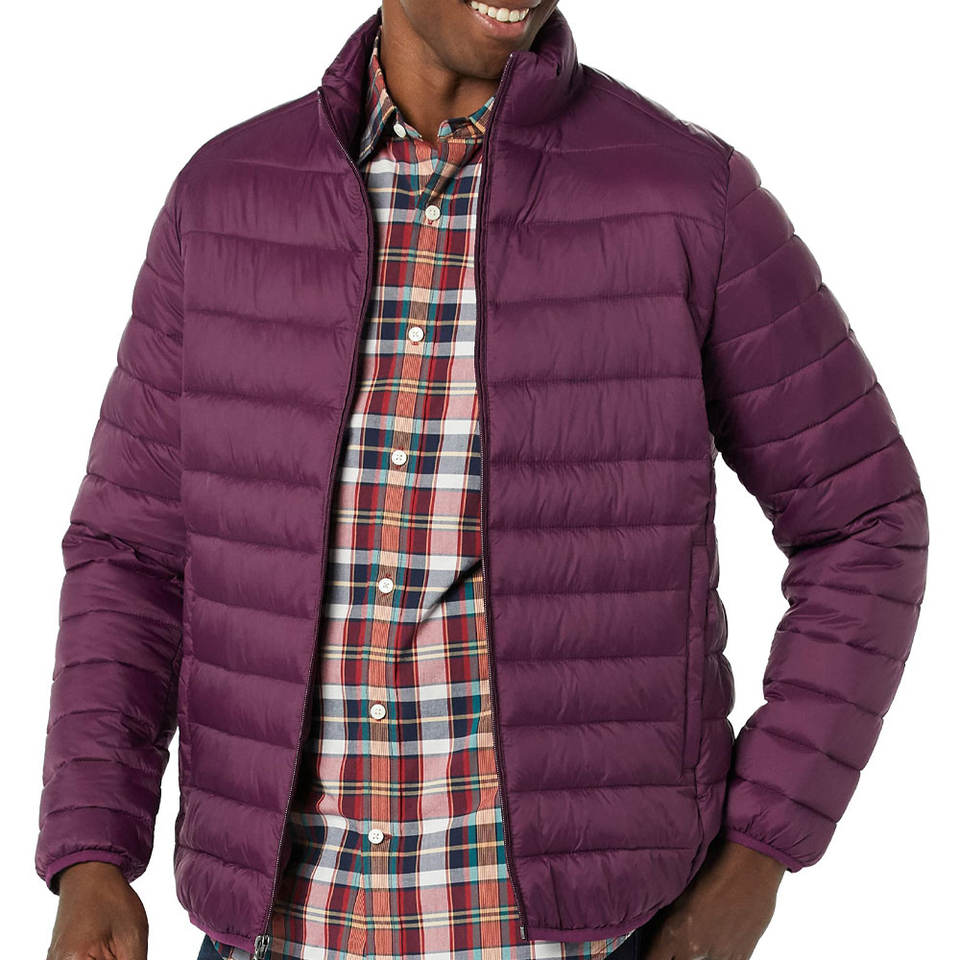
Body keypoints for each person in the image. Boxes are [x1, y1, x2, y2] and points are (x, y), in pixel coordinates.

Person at [36, 3, 929, 960]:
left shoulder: (684, 198)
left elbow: (866, 523)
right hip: (274, 935)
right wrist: (93, 853)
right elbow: (131, 556)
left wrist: (757, 859)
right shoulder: (225, 200)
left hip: (585, 937)